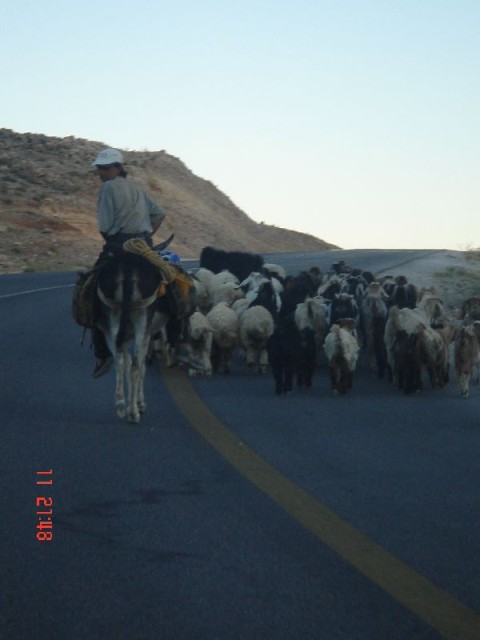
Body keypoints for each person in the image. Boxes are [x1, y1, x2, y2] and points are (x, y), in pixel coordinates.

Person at [89, 148, 200, 377]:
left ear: (118, 168)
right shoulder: (137, 190)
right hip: (143, 247)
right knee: (172, 282)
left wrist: (116, 240)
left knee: (90, 287)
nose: (101, 172)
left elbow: (103, 225)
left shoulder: (107, 188)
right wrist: (146, 237)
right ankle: (181, 341)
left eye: (105, 167)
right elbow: (159, 214)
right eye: (100, 167)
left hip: (116, 246)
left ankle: (102, 353)